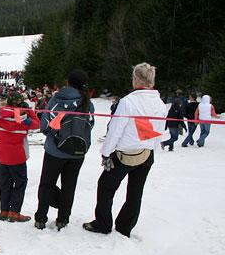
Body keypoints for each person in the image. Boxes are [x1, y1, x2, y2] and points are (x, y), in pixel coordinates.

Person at [84, 62, 167, 237]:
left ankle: (103, 223)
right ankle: (125, 226)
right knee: (135, 193)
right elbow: (160, 129)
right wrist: (152, 150)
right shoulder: (160, 103)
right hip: (146, 154)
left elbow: (115, 130)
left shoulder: (128, 102)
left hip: (125, 154)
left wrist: (106, 153)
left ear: (136, 79)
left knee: (106, 187)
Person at [35, 69, 94, 231]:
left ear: (68, 82)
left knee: (47, 184)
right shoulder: (88, 102)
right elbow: (90, 124)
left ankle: (41, 218)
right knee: (69, 185)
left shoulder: (56, 100)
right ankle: (63, 218)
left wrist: (56, 135)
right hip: (78, 152)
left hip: (55, 151)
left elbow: (45, 125)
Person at [0, 92, 39, 222]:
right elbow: (38, 124)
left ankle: (4, 211)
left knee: (4, 184)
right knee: (20, 184)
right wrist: (29, 111)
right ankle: (14, 212)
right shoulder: (23, 118)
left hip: (2, 157)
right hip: (18, 157)